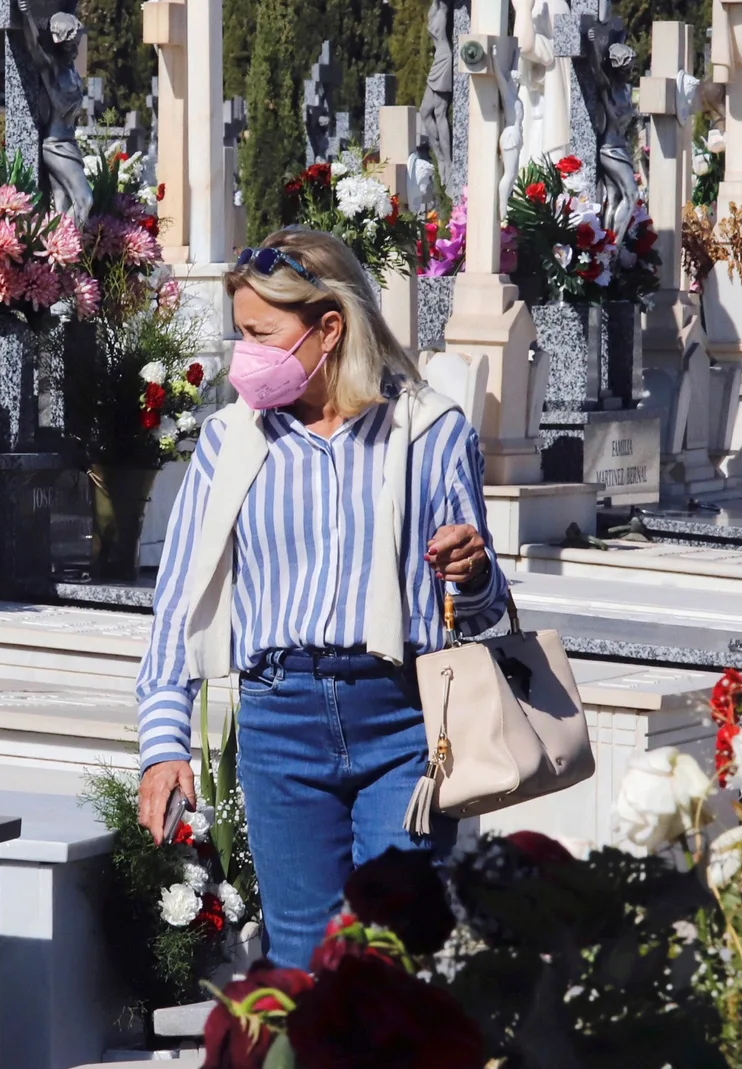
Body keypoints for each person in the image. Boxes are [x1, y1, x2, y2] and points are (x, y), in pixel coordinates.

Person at [133, 229, 510, 969]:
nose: (246, 354)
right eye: (240, 333)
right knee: (303, 969)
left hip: (403, 720)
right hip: (280, 724)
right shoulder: (230, 441)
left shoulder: (432, 433)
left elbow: (483, 612)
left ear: (329, 327)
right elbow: (177, 601)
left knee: (395, 958)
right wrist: (163, 742)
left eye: (260, 334)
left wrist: (474, 574)